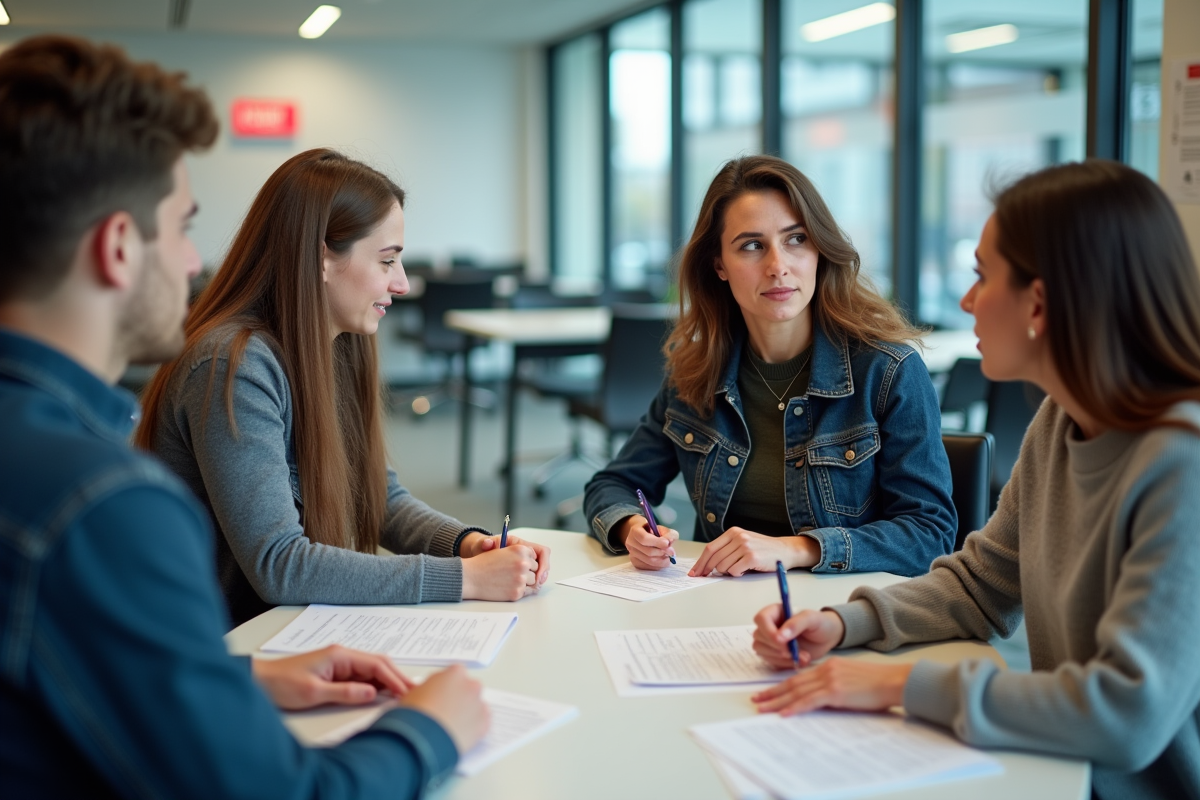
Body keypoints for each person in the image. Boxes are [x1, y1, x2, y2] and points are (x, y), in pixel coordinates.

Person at [0, 35, 489, 798]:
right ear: (120, 246)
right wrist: (430, 729)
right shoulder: (103, 503)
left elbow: (67, 662)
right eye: (182, 227)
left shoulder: (48, 459)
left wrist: (244, 676)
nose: (194, 261)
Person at [751, 160, 1200, 799]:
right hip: (1054, 766)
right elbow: (980, 585)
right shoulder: (1060, 421)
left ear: (1038, 303)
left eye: (983, 277)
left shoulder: (1181, 462)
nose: (967, 302)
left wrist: (897, 685)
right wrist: (844, 623)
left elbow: (1126, 716)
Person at [136, 148, 550, 626]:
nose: (403, 284)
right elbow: (280, 565)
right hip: (218, 642)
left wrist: (467, 544)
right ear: (322, 259)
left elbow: (378, 499)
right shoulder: (234, 364)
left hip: (282, 629)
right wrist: (465, 578)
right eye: (387, 261)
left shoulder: (334, 344)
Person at [583, 155, 955, 577]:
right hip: (715, 602)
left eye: (796, 239)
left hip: (840, 608)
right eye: (752, 245)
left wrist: (796, 549)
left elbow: (930, 534)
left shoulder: (888, 372)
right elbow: (612, 485)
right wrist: (632, 528)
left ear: (819, 250)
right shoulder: (697, 372)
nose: (778, 266)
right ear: (719, 265)